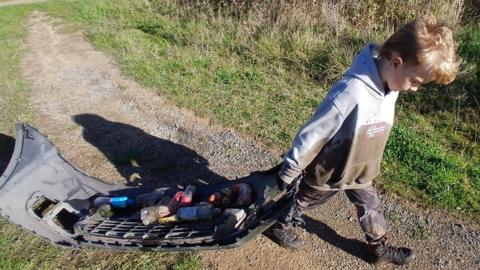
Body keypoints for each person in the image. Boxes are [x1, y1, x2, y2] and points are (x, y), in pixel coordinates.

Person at [266, 15, 460, 265]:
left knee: (370, 205)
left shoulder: (391, 84)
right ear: (396, 62)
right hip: (330, 168)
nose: (414, 89)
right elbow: (315, 131)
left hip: (360, 168)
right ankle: (275, 223)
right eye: (415, 82)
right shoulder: (352, 91)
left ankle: (378, 247)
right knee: (302, 200)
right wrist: (290, 168)